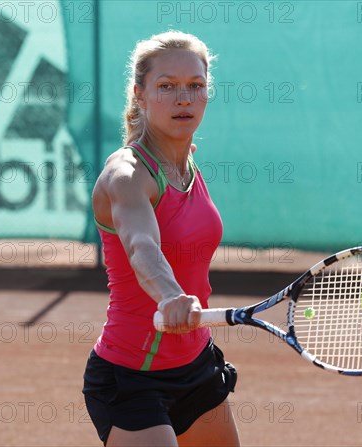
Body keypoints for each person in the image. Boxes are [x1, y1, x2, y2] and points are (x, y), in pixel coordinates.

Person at [83, 31, 240, 447]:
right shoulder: (128, 174)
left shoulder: (187, 164)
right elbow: (140, 245)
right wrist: (171, 296)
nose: (183, 98)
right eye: (167, 87)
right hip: (131, 377)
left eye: (195, 86)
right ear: (140, 94)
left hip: (197, 363)